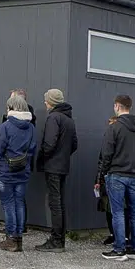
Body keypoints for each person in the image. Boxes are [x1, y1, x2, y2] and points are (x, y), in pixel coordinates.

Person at [97, 95, 135, 261]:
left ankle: (119, 249)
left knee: (117, 212)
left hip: (117, 174)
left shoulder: (115, 127)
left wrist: (103, 172)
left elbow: (106, 153)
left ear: (117, 106)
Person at [0, 93, 37, 252]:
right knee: (19, 203)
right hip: (23, 171)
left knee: (8, 204)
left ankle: (11, 238)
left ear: (11, 108)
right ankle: (19, 239)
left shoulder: (6, 126)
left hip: (5, 171)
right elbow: (33, 149)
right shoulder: (31, 127)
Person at [34, 88, 76, 251]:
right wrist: (63, 156)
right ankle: (60, 238)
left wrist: (44, 157)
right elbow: (74, 144)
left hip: (53, 166)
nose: (45, 102)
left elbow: (49, 144)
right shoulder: (69, 119)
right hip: (63, 165)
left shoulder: (53, 118)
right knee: (60, 202)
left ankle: (56, 240)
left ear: (51, 102)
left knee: (54, 203)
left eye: (46, 100)